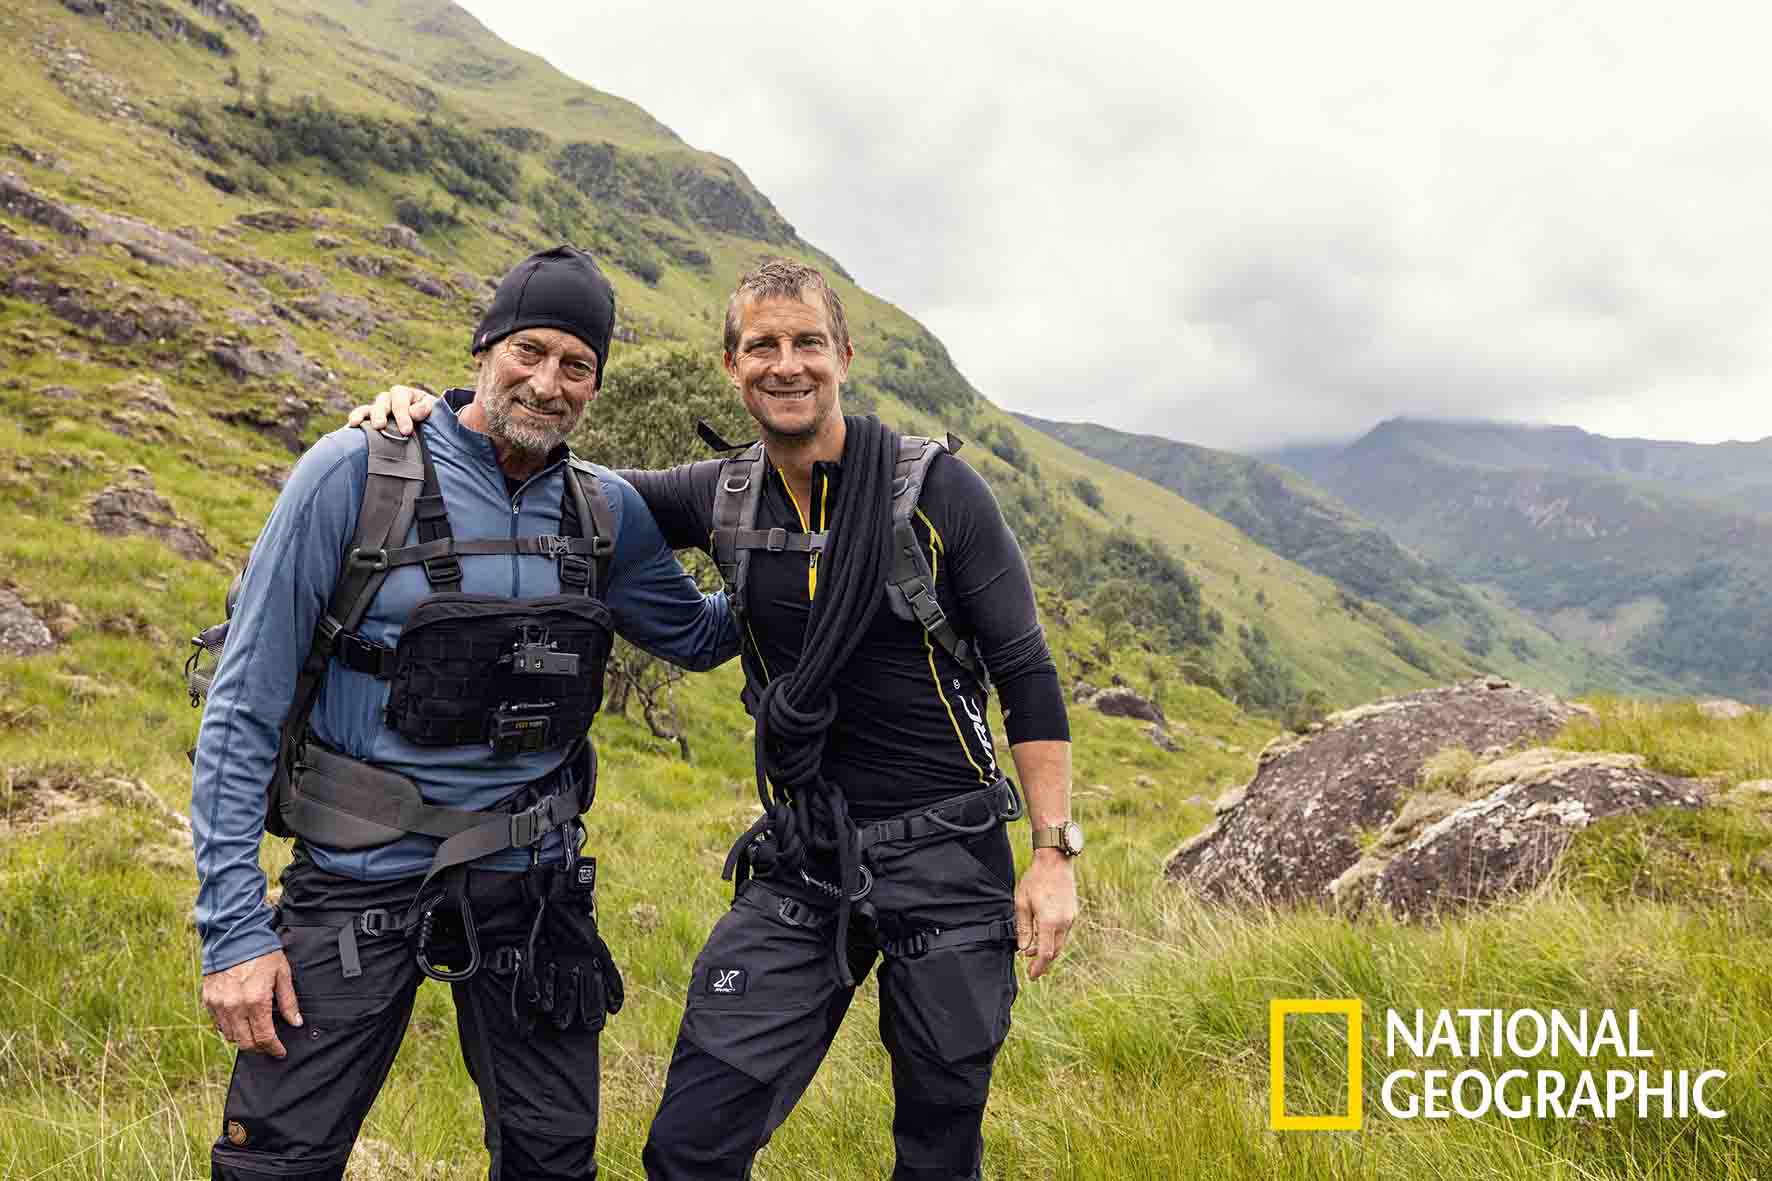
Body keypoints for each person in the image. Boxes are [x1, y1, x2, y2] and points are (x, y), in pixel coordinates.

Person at [357, 257, 1080, 1180]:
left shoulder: (934, 493)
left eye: (808, 342)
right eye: (763, 346)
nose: (789, 365)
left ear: (844, 356)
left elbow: (1025, 668)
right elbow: (564, 478)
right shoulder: (722, 496)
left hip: (945, 853)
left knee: (938, 1143)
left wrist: (1053, 853)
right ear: (731, 367)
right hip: (806, 851)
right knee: (691, 1146)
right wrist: (433, 417)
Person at [194, 245, 738, 1181]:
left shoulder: (605, 512)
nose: (549, 381)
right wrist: (234, 928)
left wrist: (811, 536)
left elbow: (701, 635)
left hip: (532, 883)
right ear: (484, 346)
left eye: (578, 366)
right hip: (355, 876)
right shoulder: (352, 476)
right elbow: (244, 705)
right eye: (531, 350)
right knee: (274, 1163)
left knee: (552, 1157)